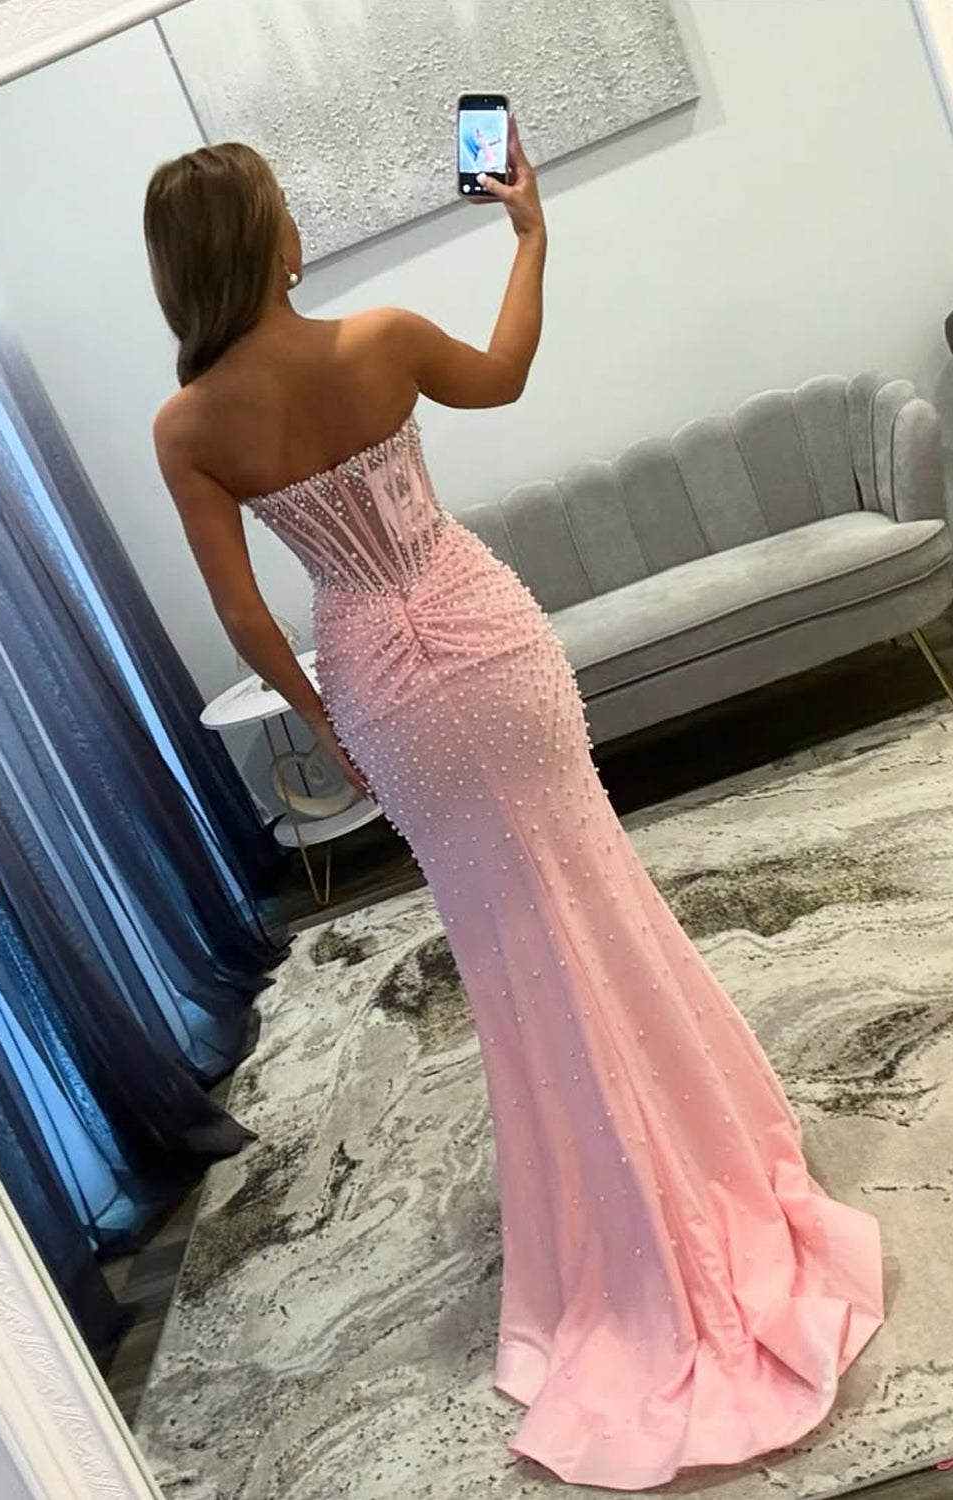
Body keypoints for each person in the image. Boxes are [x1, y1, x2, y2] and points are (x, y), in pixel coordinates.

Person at [144, 123, 883, 1490]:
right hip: (487, 641)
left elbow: (245, 614)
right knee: (596, 884)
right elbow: (503, 374)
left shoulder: (185, 429)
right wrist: (529, 233)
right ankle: (694, 1144)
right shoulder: (380, 339)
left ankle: (597, 1198)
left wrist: (326, 721)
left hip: (384, 687)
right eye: (284, 209)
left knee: (503, 944)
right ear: (269, 241)